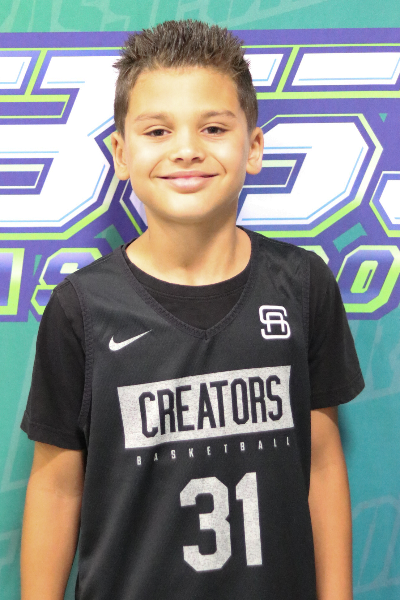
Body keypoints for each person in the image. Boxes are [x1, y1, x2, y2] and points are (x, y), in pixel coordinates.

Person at [20, 20, 364, 600]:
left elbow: (324, 463)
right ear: (121, 153)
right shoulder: (81, 309)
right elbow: (56, 489)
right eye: (158, 130)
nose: (186, 149)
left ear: (253, 147)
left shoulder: (303, 285)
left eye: (213, 128)